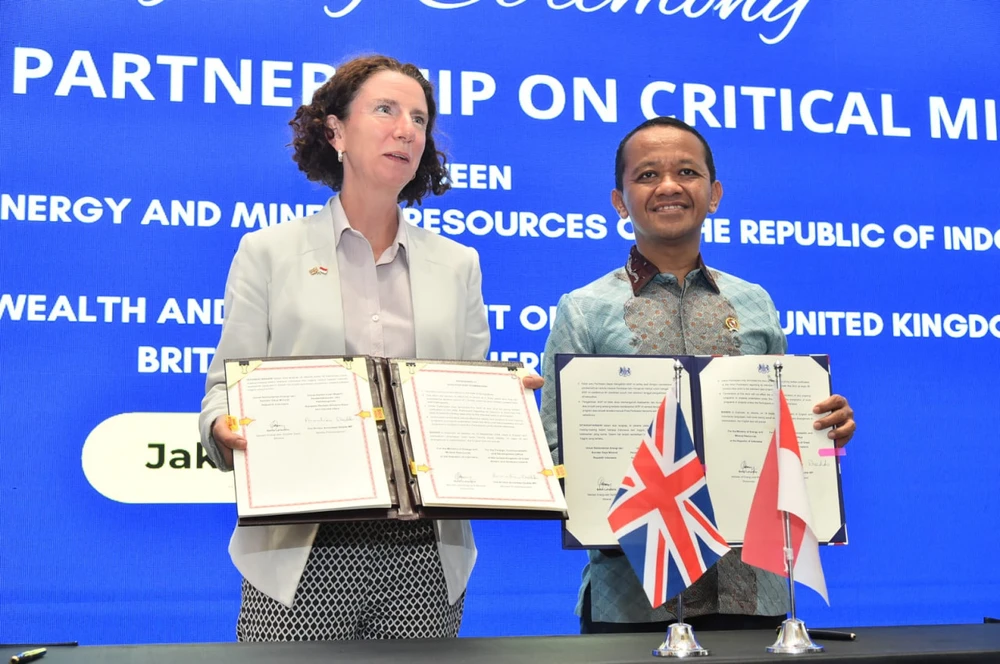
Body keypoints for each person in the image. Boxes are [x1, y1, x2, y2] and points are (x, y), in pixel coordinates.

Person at [199, 54, 536, 641]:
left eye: (419, 118)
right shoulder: (268, 252)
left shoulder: (459, 265)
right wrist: (220, 426)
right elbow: (226, 384)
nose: (406, 129)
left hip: (425, 553)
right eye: (385, 110)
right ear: (335, 132)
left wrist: (500, 406)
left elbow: (468, 390)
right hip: (302, 547)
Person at [540, 116, 856, 635]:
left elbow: (785, 434)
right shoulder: (584, 309)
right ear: (620, 201)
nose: (668, 186)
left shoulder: (755, 303)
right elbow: (555, 452)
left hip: (754, 591)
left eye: (687, 171)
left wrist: (824, 432)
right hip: (633, 597)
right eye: (646, 176)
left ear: (714, 194)